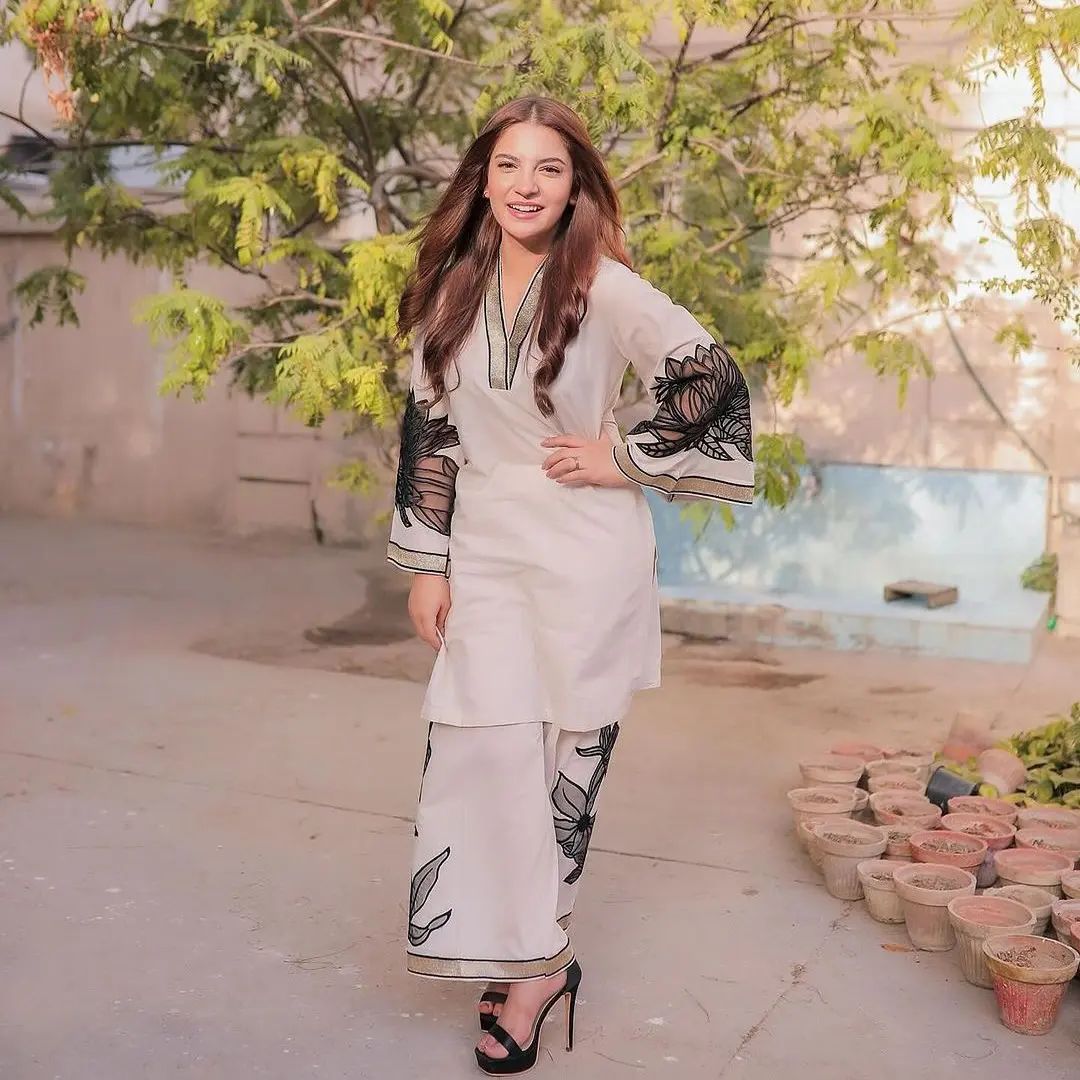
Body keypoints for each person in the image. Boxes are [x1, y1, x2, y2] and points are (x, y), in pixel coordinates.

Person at [388, 94, 754, 1074]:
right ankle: (510, 945)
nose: (527, 185)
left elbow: (712, 380)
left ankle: (541, 969)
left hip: (586, 555)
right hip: (486, 550)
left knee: (564, 771)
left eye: (549, 168)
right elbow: (430, 429)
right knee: (480, 750)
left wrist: (623, 456)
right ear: (482, 179)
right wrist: (426, 562)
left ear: (575, 185)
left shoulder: (604, 287)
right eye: (509, 165)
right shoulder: (451, 289)